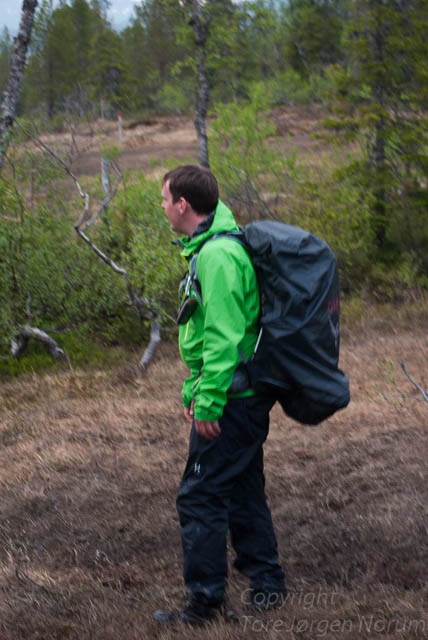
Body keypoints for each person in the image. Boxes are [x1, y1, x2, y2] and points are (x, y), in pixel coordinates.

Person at [154, 165, 286, 626]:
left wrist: (209, 401)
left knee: (200, 496)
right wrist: (195, 387)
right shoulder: (213, 247)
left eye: (165, 199)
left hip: (232, 399)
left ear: (183, 204)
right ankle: (267, 583)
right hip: (241, 393)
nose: (163, 207)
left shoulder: (217, 255)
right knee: (243, 487)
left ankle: (204, 602)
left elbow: (224, 336)